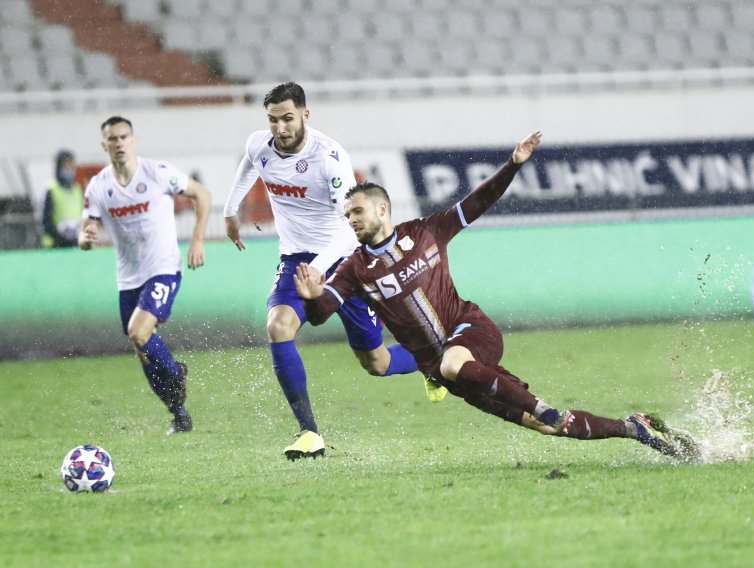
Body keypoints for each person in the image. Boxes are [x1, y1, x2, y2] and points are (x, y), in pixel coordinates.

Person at [294, 131, 699, 462]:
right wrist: (312, 297)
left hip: (471, 332)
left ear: (382, 209)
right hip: (447, 371)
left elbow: (478, 202)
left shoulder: (425, 231)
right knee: (553, 427)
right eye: (347, 216)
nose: (351, 221)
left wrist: (513, 165)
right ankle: (635, 428)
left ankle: (543, 407)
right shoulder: (353, 269)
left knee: (458, 364)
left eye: (357, 212)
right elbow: (319, 314)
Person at [223, 82, 440, 461]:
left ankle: (428, 360)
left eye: (288, 118)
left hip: (345, 261)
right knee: (278, 325)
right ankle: (309, 433)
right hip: (296, 259)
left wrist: (319, 271)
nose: (280, 128)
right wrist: (230, 209)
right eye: (273, 120)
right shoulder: (260, 144)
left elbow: (349, 225)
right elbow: (248, 165)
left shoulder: (330, 157)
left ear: (305, 114)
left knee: (377, 363)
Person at [78, 116, 211, 435]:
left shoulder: (157, 173)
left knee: (139, 332)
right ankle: (178, 413)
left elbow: (202, 195)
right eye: (113, 139)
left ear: (133, 140)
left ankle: (176, 372)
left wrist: (196, 239)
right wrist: (86, 239)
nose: (120, 143)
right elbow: (86, 230)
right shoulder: (99, 186)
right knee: (142, 351)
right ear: (104, 145)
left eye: (124, 137)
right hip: (128, 277)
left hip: (163, 267)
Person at [41, 149, 84, 248]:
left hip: (74, 244)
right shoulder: (51, 189)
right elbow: (45, 222)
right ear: (59, 167)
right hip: (55, 246)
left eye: (71, 166)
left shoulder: (77, 190)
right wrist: (61, 239)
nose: (69, 170)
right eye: (66, 166)